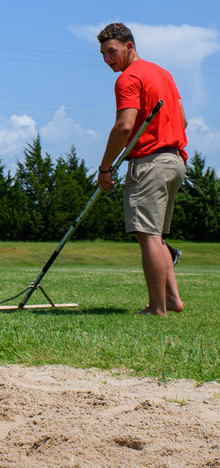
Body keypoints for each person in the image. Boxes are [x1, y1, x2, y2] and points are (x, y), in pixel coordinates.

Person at [95, 22, 188, 316]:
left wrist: (105, 167)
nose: (108, 59)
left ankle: (156, 308)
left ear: (129, 47)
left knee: (147, 236)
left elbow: (124, 126)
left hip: (149, 162)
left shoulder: (128, 78)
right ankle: (171, 300)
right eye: (103, 54)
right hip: (175, 160)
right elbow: (183, 121)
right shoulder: (163, 73)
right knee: (156, 235)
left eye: (112, 52)